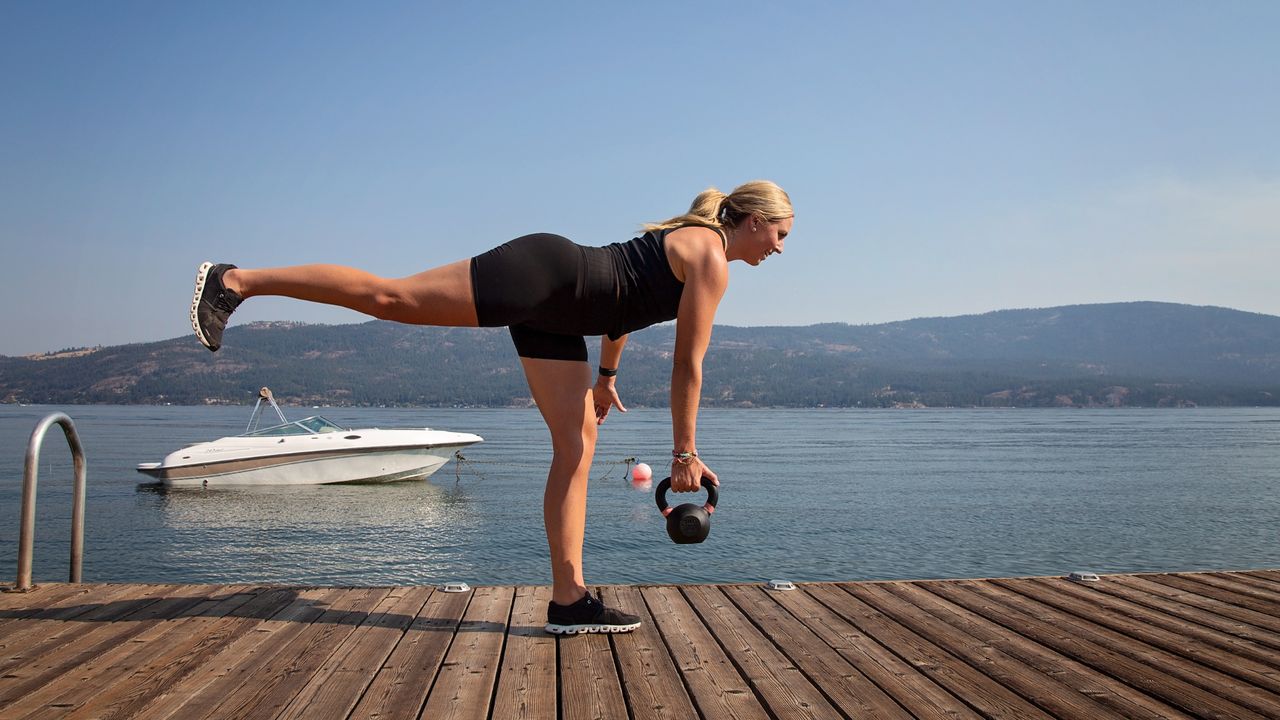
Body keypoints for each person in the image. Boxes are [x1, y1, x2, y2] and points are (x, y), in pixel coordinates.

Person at [190, 180, 794, 634]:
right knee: (391, 298)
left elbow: (625, 306)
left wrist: (606, 376)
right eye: (781, 233)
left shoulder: (698, 252)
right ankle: (237, 280)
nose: (781, 249)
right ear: (754, 219)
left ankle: (569, 601)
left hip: (563, 320)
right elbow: (688, 365)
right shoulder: (712, 256)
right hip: (546, 276)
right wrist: (684, 452)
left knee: (577, 446)